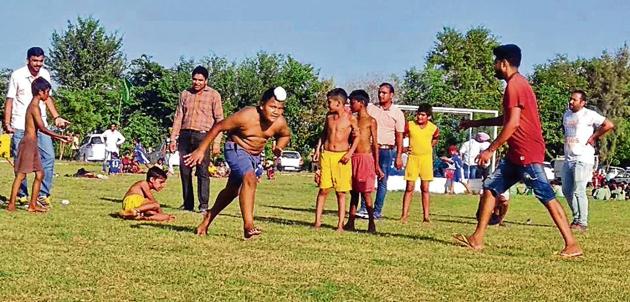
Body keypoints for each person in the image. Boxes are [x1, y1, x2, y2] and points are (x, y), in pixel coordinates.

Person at [454, 44, 582, 258]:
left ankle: (572, 244)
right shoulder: (517, 84)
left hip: (526, 153)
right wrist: (474, 124)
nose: (494, 65)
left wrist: (489, 150)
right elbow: (507, 119)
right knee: (490, 188)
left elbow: (512, 125)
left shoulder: (515, 86)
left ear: (503, 64)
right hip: (516, 154)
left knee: (546, 195)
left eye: (496, 62)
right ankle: (477, 238)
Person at [185, 87, 290, 239]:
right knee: (250, 178)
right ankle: (248, 225)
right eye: (272, 106)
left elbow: (285, 135)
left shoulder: (279, 122)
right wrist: (201, 150)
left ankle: (208, 217)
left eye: (280, 108)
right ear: (262, 105)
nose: (276, 111)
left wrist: (279, 146)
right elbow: (218, 126)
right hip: (235, 149)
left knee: (232, 191)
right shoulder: (246, 115)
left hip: (254, 157)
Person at [4, 47, 70, 207]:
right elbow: (10, 100)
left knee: (48, 158)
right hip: (21, 126)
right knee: (21, 167)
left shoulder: (45, 74)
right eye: (34, 60)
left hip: (41, 125)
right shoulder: (17, 75)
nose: (37, 64)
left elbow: (48, 99)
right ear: (28, 60)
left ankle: (42, 195)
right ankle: (20, 196)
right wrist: (7, 123)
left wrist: (56, 117)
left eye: (40, 61)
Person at [169, 66, 224, 213]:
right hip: (185, 135)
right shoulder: (185, 94)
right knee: (184, 171)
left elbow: (220, 120)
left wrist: (216, 142)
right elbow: (178, 117)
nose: (197, 82)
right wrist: (173, 139)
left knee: (202, 171)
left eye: (200, 80)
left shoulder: (214, 95)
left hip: (203, 136)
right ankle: (187, 204)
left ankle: (203, 205)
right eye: (194, 79)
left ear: (206, 80)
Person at [561, 90, 614, 231]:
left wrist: (594, 137)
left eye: (574, 100)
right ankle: (576, 218)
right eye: (570, 99)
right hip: (568, 157)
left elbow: (608, 124)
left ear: (583, 102)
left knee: (579, 189)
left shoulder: (589, 114)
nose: (571, 102)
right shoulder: (566, 114)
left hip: (583, 157)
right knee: (566, 190)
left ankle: (582, 222)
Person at [312, 88, 359, 232]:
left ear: (338, 103)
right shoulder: (329, 117)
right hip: (327, 154)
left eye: (329, 102)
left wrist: (350, 153)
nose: (327, 105)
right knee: (323, 189)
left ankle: (340, 224)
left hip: (342, 157)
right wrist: (318, 149)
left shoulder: (350, 118)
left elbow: (357, 136)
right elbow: (324, 134)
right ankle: (317, 222)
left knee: (341, 192)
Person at [357, 83, 405, 219]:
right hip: (370, 149)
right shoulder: (371, 108)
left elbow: (399, 135)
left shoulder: (397, 113)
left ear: (391, 95)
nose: (381, 95)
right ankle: (364, 208)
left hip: (386, 150)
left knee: (382, 180)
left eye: (384, 93)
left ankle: (377, 211)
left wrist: (399, 155)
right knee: (365, 179)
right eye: (379, 92)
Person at [343, 90, 382, 233]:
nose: (351, 105)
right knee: (353, 192)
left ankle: (371, 223)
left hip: (365, 158)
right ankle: (350, 221)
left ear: (362, 103)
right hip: (353, 158)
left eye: (353, 102)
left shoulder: (371, 121)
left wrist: (377, 164)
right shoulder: (351, 119)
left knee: (366, 192)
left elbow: (375, 144)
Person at [401, 103, 439, 223]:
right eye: (418, 114)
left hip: (426, 159)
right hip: (413, 158)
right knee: (410, 187)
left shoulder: (433, 128)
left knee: (425, 188)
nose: (419, 117)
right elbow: (400, 136)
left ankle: (426, 216)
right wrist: (404, 149)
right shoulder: (410, 125)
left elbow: (436, 138)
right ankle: (404, 215)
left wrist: (429, 147)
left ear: (428, 116)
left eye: (422, 115)